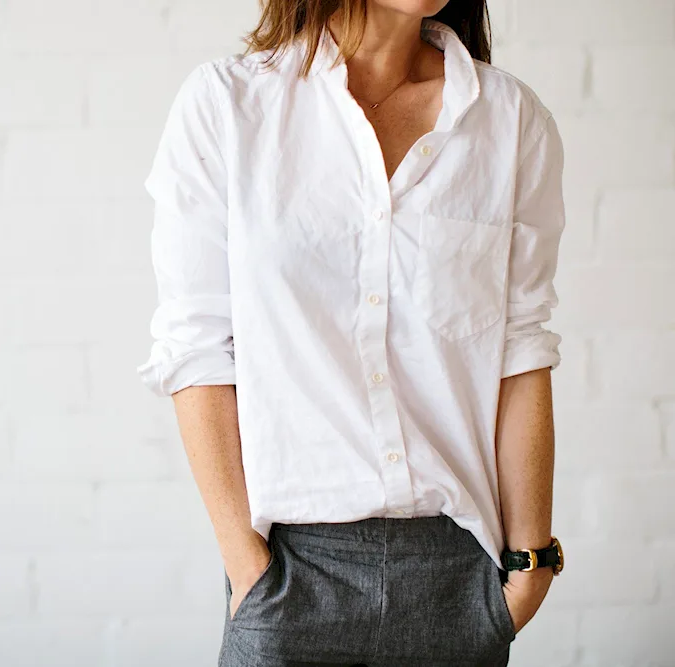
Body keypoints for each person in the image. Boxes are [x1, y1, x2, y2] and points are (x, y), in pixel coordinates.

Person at [136, 1, 566, 665]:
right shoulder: (227, 107)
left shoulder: (510, 123)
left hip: (457, 575)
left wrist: (529, 566)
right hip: (289, 575)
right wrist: (247, 565)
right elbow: (196, 349)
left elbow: (520, 348)